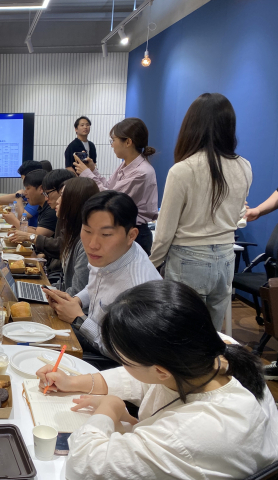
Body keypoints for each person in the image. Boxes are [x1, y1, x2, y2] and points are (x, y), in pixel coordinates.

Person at [37, 281, 278, 480]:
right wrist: (72, 382)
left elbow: (82, 466)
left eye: (126, 361)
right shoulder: (208, 348)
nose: (124, 367)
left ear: (161, 371)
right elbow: (141, 379)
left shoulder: (194, 431)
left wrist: (109, 409)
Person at [149, 94, 252, 331]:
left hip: (188, 259)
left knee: (184, 335)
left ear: (191, 126)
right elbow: (239, 215)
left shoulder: (182, 170)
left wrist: (150, 264)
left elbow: (164, 232)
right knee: (211, 337)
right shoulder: (244, 166)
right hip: (226, 258)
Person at [43, 191, 161, 368]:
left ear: (132, 235)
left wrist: (78, 318)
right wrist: (75, 300)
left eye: (106, 235)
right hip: (92, 335)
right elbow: (95, 284)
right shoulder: (113, 252)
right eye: (88, 231)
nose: (92, 244)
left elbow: (125, 355)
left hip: (118, 362)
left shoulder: (137, 288)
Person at [74, 118, 158, 255]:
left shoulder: (141, 172)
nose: (112, 145)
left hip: (135, 234)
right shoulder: (125, 165)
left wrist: (87, 173)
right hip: (123, 229)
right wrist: (93, 170)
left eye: (113, 140)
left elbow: (111, 199)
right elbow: (108, 186)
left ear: (128, 142)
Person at [11, 169, 74, 274]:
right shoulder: (60, 213)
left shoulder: (57, 212)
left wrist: (29, 236)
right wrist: (44, 256)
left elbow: (61, 246)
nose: (45, 198)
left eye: (47, 193)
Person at [53, 177, 99, 295]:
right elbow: (65, 284)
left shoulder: (86, 243)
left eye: (62, 196)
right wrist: (44, 290)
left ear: (75, 202)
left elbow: (76, 292)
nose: (57, 201)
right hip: (66, 299)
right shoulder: (71, 232)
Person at [0, 160, 43, 228]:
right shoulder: (33, 191)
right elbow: (14, 196)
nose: (23, 182)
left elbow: (21, 217)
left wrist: (18, 197)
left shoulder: (37, 197)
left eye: (23, 178)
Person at [4, 169, 57, 237]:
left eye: (28, 189)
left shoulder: (51, 209)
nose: (25, 193)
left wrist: (14, 221)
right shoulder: (41, 206)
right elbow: (38, 231)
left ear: (41, 189)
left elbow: (37, 236)